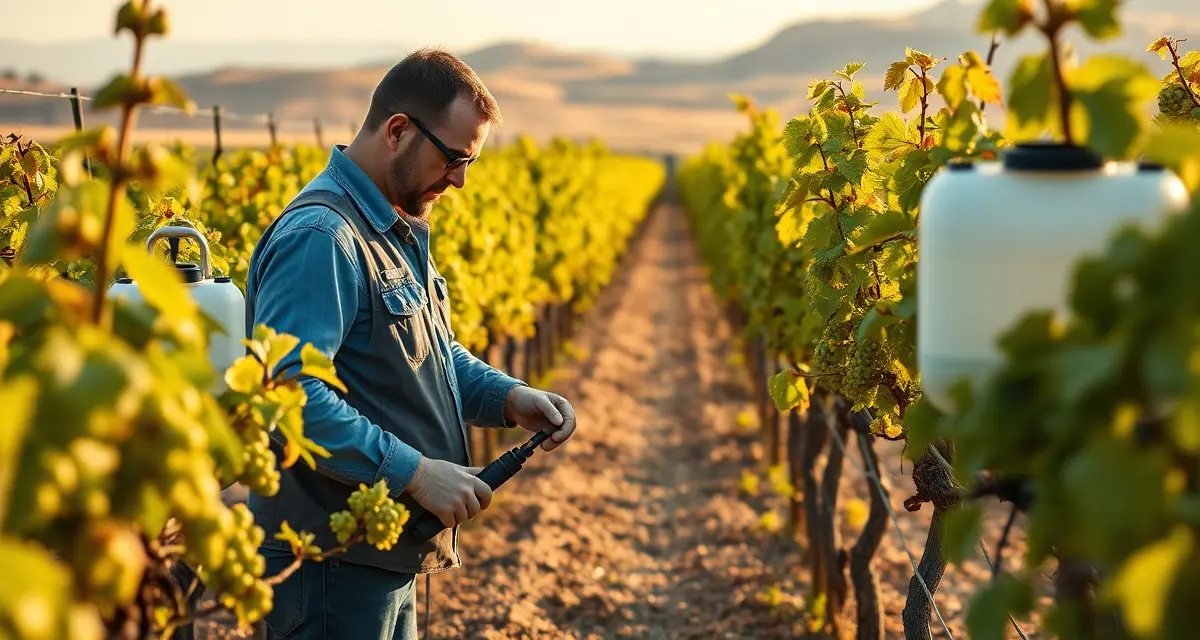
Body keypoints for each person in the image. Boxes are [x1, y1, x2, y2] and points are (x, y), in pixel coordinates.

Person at [243, 48, 577, 639]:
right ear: (398, 131)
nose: (460, 179)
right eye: (453, 158)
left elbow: (429, 353)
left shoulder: (391, 228)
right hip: (330, 569)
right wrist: (417, 473)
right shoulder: (323, 237)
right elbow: (288, 394)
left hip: (380, 553)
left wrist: (509, 398)